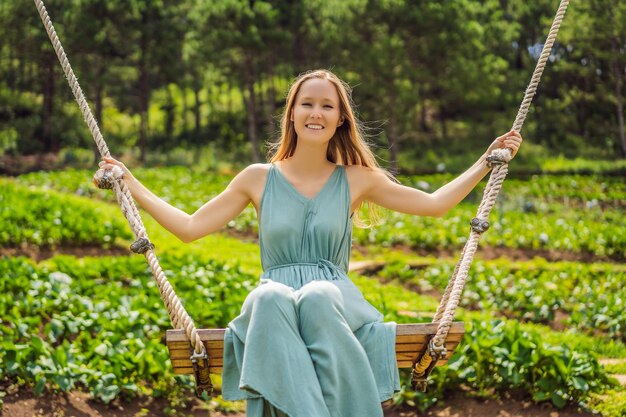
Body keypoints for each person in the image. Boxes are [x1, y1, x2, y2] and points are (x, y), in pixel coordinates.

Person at [99, 69, 523, 417]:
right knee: (268, 300)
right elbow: (190, 227)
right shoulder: (257, 178)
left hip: (334, 300)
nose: (315, 112)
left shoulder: (356, 179)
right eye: (307, 103)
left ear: (341, 119)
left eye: (326, 106)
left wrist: (485, 163)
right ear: (292, 114)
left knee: (318, 294)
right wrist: (131, 184)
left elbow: (434, 204)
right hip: (276, 298)